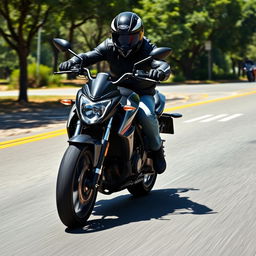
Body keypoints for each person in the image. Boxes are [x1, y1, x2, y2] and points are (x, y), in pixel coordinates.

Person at [59, 11, 171, 174]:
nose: (125, 42)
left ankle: (157, 150)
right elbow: (90, 55)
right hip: (116, 90)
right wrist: (73, 61)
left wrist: (160, 71)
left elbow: (162, 64)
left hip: (141, 92)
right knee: (81, 106)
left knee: (146, 114)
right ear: (114, 36)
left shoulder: (147, 49)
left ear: (140, 35)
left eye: (130, 37)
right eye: (120, 37)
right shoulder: (108, 46)